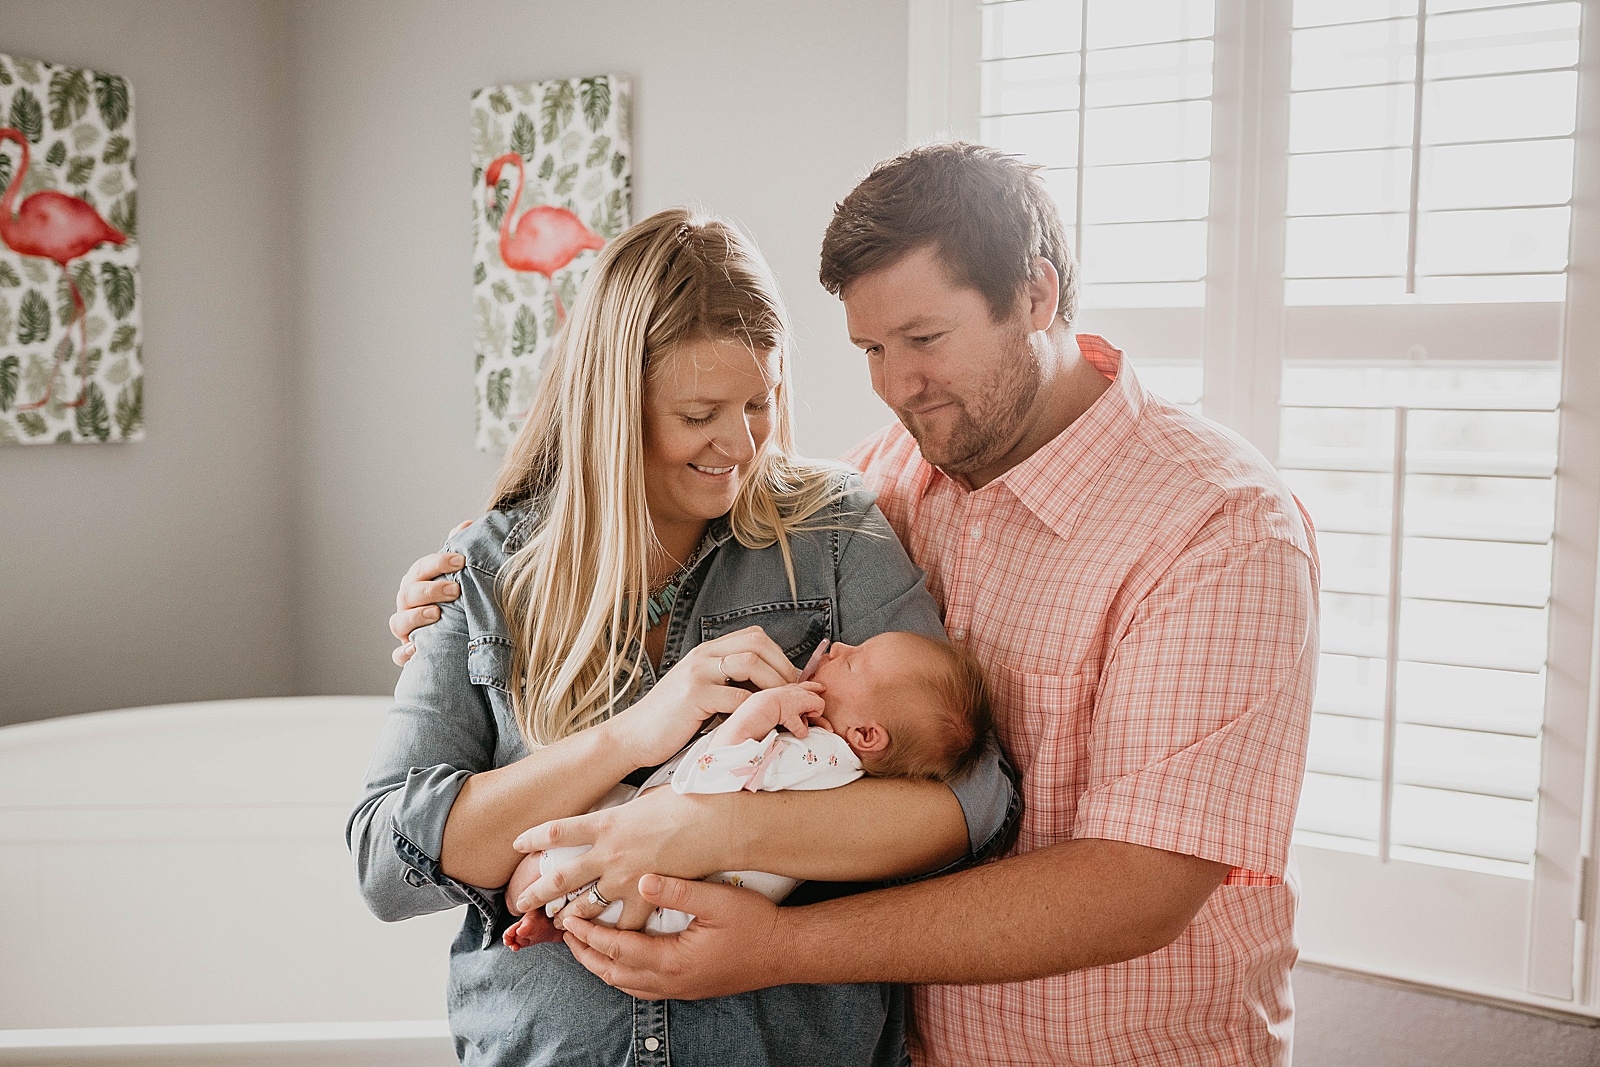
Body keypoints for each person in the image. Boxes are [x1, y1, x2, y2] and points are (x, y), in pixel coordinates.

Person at [394, 142, 1319, 1066]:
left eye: (923, 339)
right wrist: (477, 574)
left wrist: (772, 930)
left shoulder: (1218, 526)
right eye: (870, 349)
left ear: (1036, 297)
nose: (894, 382)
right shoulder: (895, 479)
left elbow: (1139, 885)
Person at [350, 205, 1018, 1067]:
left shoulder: (832, 534)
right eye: (701, 410)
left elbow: (969, 804)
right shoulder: (488, 569)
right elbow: (386, 860)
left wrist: (706, 828)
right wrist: (631, 734)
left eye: (761, 400)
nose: (740, 444)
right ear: (614, 406)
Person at [504, 631, 994, 944]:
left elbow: (705, 784)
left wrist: (752, 716)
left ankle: (546, 908)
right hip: (679, 887)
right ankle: (559, 924)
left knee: (526, 877)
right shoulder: (841, 770)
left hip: (673, 890)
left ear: (866, 735)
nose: (840, 647)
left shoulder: (816, 754)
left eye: (853, 663)